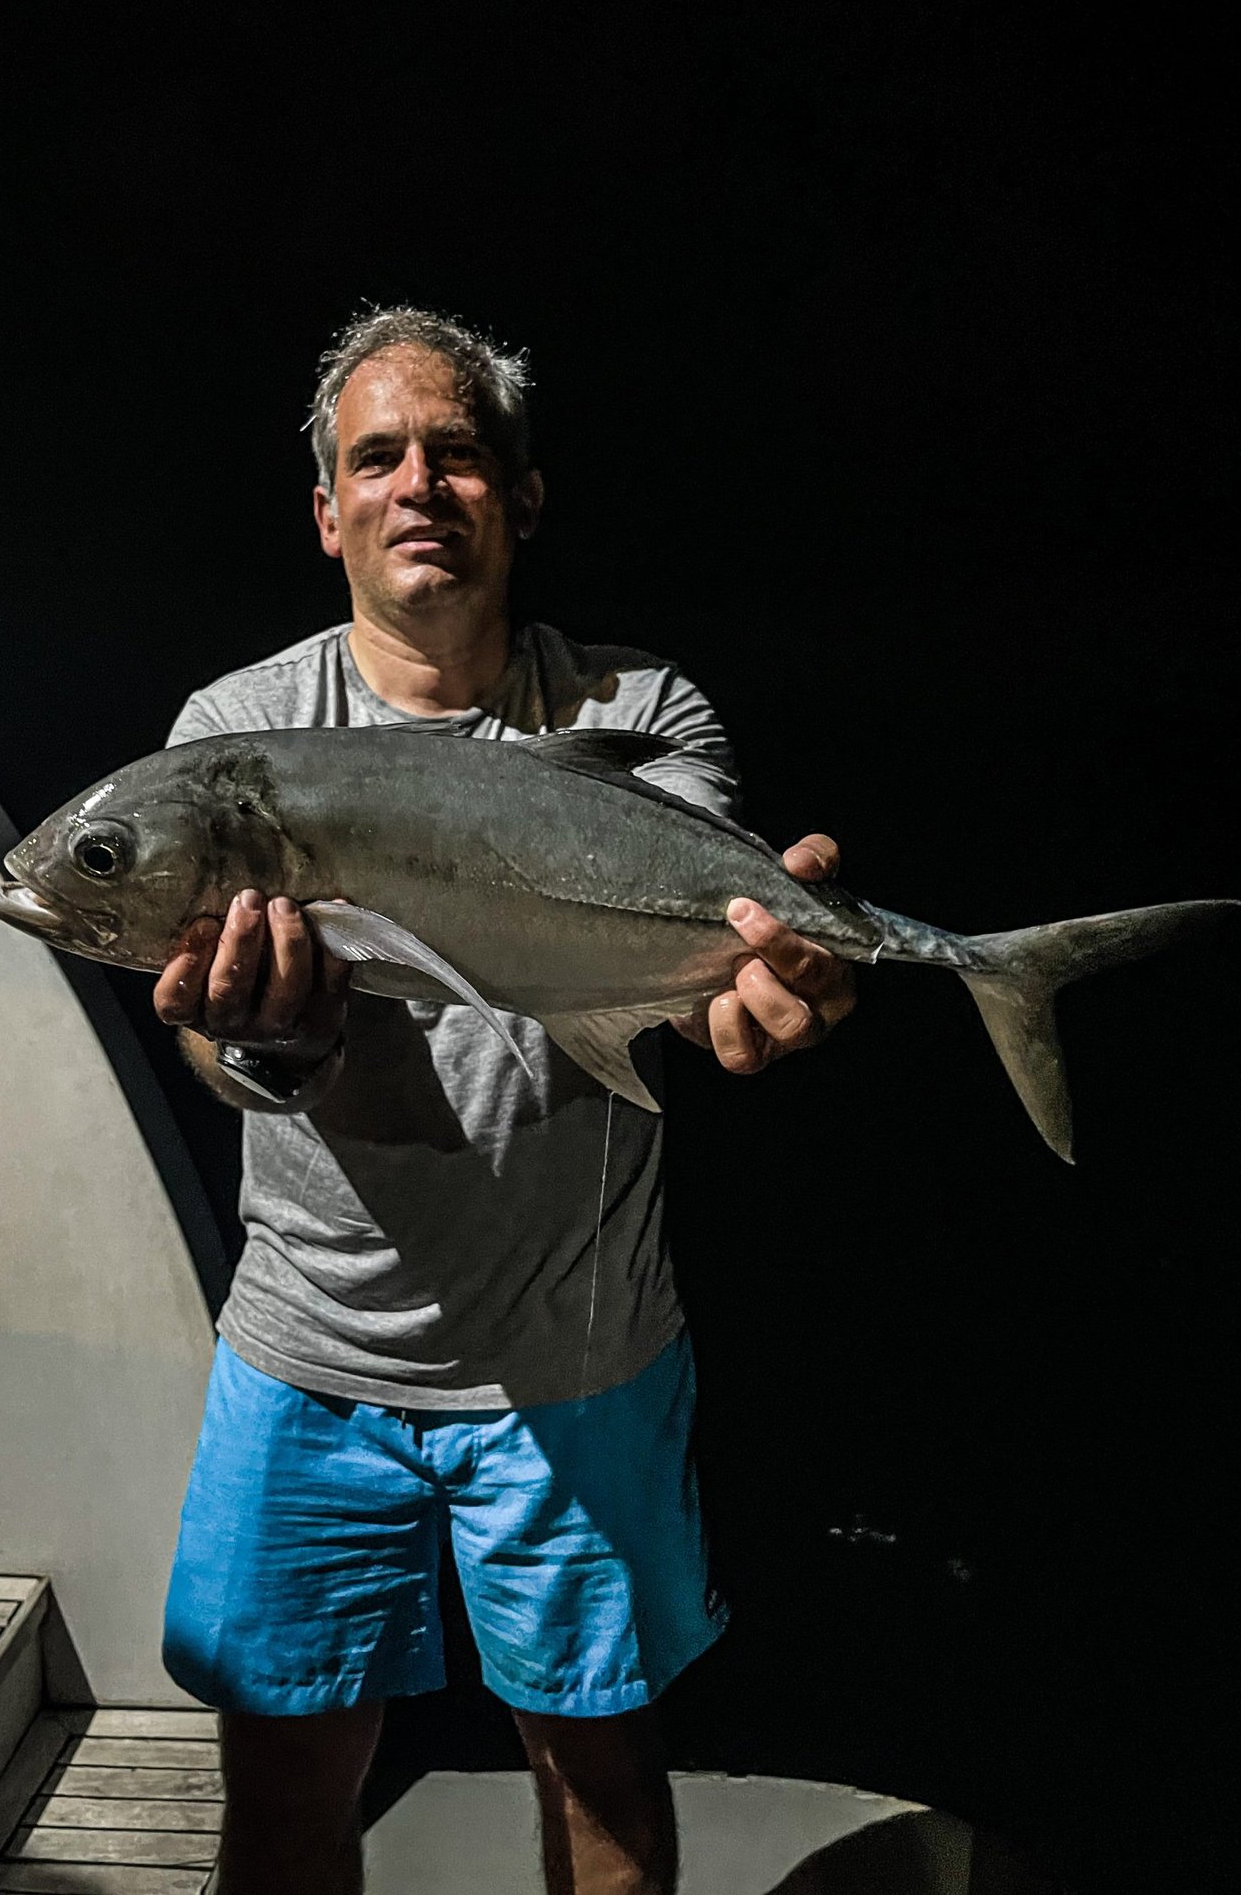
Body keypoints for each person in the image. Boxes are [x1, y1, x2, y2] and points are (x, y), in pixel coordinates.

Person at [154, 309, 856, 1895]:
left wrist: (764, 985)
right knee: (282, 1790)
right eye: (377, 458)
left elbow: (707, 949)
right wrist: (259, 1045)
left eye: (458, 452)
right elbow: (208, 1045)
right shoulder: (231, 737)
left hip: (580, 1352)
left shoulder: (639, 711)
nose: (418, 483)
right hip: (312, 1350)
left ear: (521, 497)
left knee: (601, 1776)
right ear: (327, 511)